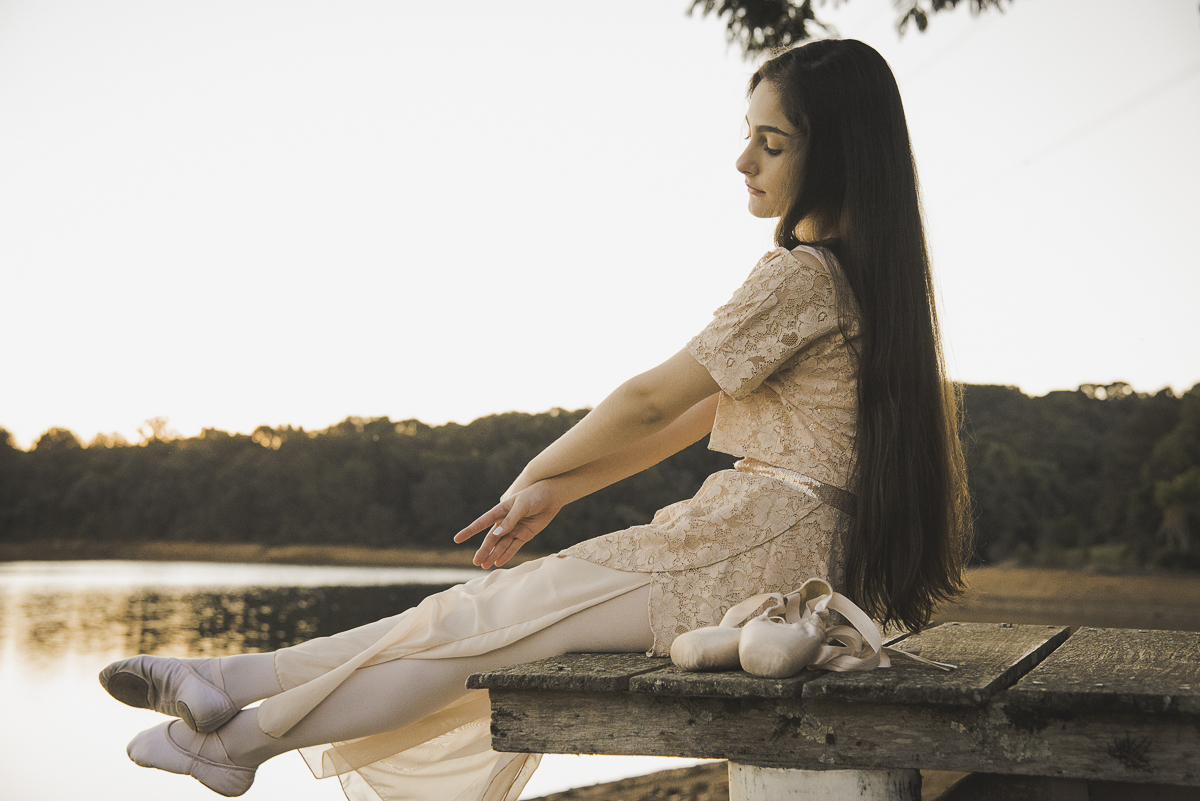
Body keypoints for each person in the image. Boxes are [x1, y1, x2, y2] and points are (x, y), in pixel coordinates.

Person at [99, 38, 971, 801]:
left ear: (840, 156)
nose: (743, 160)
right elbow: (686, 422)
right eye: (747, 134)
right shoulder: (860, 282)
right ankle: (224, 693)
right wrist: (558, 489)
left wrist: (528, 473)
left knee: (484, 624)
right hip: (771, 542)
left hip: (752, 543)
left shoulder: (801, 276)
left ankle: (235, 736)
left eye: (769, 141)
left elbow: (650, 401)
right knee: (475, 615)